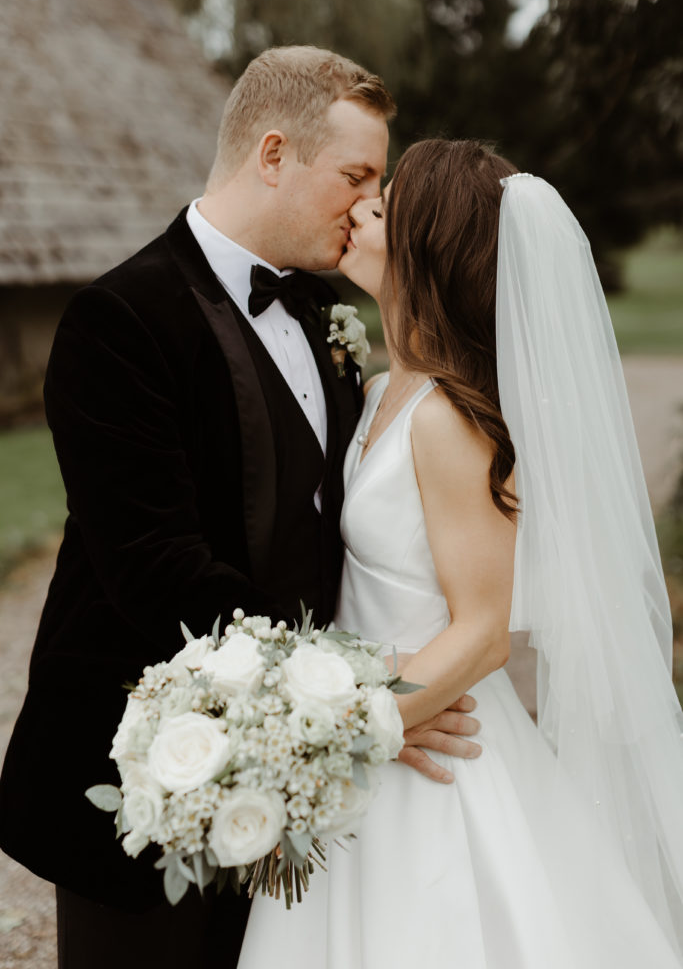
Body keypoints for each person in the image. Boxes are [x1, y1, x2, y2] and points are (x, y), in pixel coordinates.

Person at [0, 51, 481, 969]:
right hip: (143, 780)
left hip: (302, 796)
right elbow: (159, 575)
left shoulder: (328, 314)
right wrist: (365, 699)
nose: (370, 203)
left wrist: (365, 708)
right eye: (356, 176)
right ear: (272, 153)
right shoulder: (119, 320)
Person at [236, 139, 683, 968]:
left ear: (425, 248)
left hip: (429, 751)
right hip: (378, 730)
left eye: (387, 203)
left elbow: (481, 634)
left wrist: (345, 728)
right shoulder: (378, 390)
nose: (362, 208)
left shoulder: (447, 421)